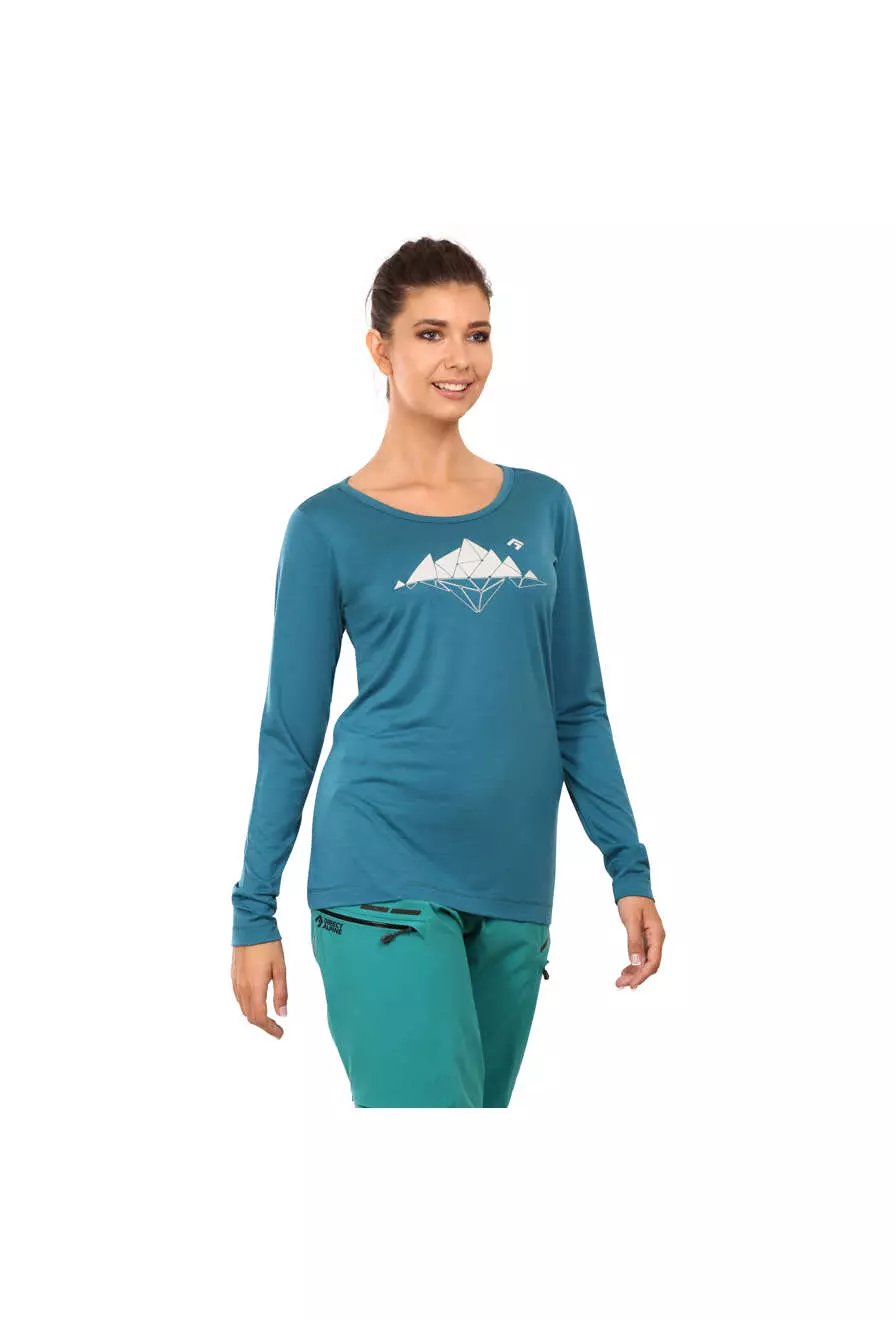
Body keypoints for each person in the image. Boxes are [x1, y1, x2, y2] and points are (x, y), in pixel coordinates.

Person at [230, 236, 665, 1107]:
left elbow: (577, 707)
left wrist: (628, 866)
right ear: (380, 350)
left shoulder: (543, 506)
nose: (459, 358)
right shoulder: (327, 527)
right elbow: (291, 731)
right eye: (430, 334)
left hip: (515, 883)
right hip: (380, 873)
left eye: (477, 333)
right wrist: (253, 910)